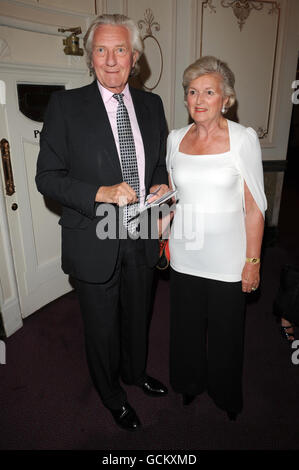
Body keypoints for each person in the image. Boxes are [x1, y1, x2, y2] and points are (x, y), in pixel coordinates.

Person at [36, 14, 169, 431]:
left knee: (138, 315)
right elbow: (47, 178)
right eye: (101, 50)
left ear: (135, 56)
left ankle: (134, 373)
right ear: (90, 57)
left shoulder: (152, 104)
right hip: (93, 235)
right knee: (101, 326)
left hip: (142, 231)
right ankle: (111, 394)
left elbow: (159, 164)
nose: (111, 60)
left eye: (121, 49)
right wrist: (101, 193)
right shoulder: (66, 105)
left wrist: (163, 187)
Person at [166, 56, 267, 420]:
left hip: (228, 258)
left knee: (227, 333)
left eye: (209, 92)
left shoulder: (243, 139)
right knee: (186, 329)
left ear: (226, 99)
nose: (199, 99)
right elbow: (175, 196)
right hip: (184, 253)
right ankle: (189, 384)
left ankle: (226, 393)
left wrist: (252, 262)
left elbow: (255, 208)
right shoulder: (175, 139)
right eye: (192, 92)